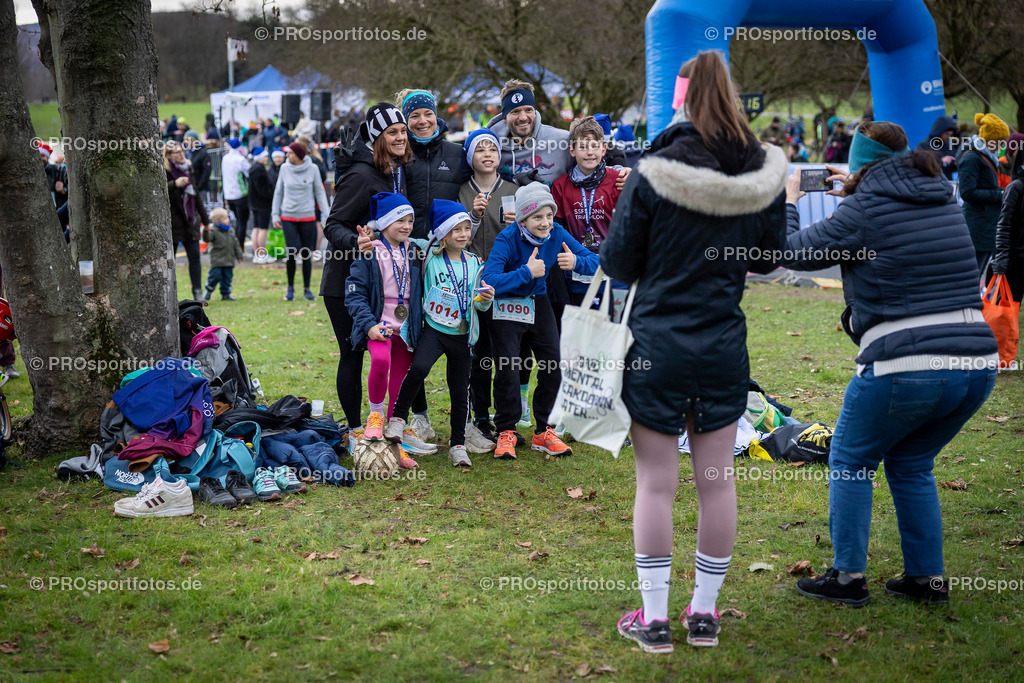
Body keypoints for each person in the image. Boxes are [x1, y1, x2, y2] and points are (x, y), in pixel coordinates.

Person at [600, 50, 789, 652]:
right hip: (722, 341)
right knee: (717, 477)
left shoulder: (653, 170)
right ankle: (703, 614)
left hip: (656, 340)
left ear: (679, 100)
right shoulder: (762, 173)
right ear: (733, 97)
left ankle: (654, 619)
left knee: (656, 482)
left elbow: (618, 262)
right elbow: (766, 257)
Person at [782, 120, 998, 608]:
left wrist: (791, 201)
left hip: (906, 364)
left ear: (859, 168)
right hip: (977, 362)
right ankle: (926, 581)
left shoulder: (862, 210)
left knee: (852, 461)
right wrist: (858, 190)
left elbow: (789, 253)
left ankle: (847, 577)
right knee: (912, 463)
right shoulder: (942, 198)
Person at [481, 182, 598, 460]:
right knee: (509, 368)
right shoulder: (507, 238)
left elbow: (595, 260)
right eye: (537, 217)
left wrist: (576, 263)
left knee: (554, 363)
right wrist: (527, 272)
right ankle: (506, 431)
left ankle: (544, 430)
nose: (545, 223)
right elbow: (490, 279)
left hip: (538, 303)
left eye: (548, 215)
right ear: (522, 218)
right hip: (506, 307)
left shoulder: (557, 233)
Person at [321, 103, 412, 435]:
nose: (401, 137)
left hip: (383, 283)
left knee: (388, 351)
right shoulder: (361, 175)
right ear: (378, 138)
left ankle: (388, 424)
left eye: (403, 130)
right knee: (353, 354)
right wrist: (354, 242)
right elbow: (333, 225)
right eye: (392, 132)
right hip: (346, 282)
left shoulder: (395, 171)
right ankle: (357, 431)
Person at [386, 199, 495, 466]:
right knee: (419, 368)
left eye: (466, 229)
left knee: (459, 391)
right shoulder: (429, 255)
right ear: (443, 234)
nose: (462, 235)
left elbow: (479, 301)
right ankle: (398, 420)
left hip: (462, 334)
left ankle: (458, 444)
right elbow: (412, 239)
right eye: (456, 230)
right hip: (434, 329)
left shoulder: (475, 262)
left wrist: (486, 298)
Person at [344, 192, 426, 470]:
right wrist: (368, 325)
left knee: (400, 383)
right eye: (399, 220)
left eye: (410, 220)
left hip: (408, 327)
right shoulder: (370, 250)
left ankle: (396, 443)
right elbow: (354, 294)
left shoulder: (415, 250)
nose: (405, 226)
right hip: (380, 324)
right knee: (381, 361)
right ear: (385, 222)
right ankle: (375, 416)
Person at [459, 129, 518, 444]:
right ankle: (478, 417)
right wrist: (474, 216)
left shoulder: (512, 189)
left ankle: (507, 421)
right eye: (479, 149)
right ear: (470, 157)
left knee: (505, 355)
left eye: (492, 148)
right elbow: (456, 237)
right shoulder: (461, 192)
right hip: (472, 285)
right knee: (477, 354)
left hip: (505, 284)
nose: (487, 154)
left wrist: (517, 225)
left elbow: (529, 234)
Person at [551, 116, 622, 307]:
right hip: (577, 272)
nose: (590, 152)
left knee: (612, 329)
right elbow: (557, 231)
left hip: (613, 272)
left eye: (594, 146)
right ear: (572, 150)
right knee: (581, 330)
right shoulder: (560, 187)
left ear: (604, 149)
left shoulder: (618, 181)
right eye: (583, 147)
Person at [397, 90, 466, 240]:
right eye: (415, 116)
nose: (423, 121)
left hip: (445, 245)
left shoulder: (457, 153)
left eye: (428, 114)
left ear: (435, 116)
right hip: (405, 244)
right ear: (406, 121)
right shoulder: (398, 154)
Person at [272, 142, 330, 301]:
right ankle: (290, 287)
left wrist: (328, 216)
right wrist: (275, 215)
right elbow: (278, 192)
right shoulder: (284, 168)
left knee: (306, 253)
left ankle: (307, 288)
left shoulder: (313, 169)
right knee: (291, 251)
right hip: (288, 216)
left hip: (308, 216)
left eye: (290, 153)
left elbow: (320, 193)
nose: (287, 156)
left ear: (299, 155)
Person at [486, 80, 572, 185]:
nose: (523, 117)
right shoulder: (491, 147)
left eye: (528, 110)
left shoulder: (563, 140)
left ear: (535, 112)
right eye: (515, 111)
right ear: (504, 118)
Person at [959, 113, 1009, 272]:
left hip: (986, 223)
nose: (1002, 146)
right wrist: (999, 195)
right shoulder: (972, 158)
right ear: (990, 139)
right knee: (974, 272)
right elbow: (967, 192)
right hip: (978, 224)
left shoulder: (985, 156)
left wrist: (1002, 191)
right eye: (1000, 141)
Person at [165, 141, 210, 301]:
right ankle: (170, 295)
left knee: (195, 258)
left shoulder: (188, 169)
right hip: (174, 224)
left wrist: (206, 221)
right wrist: (174, 184)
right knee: (171, 262)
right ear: (168, 156)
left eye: (181, 151)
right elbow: (160, 191)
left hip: (191, 222)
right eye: (176, 152)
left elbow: (196, 196)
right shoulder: (166, 171)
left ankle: (198, 293)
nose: (180, 154)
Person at [992, 145, 1024, 300]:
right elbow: (1004, 225)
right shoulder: (1016, 188)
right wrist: (1002, 259)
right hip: (1016, 261)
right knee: (1007, 309)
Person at [297, 134, 329, 257]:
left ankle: (315, 249)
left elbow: (322, 177)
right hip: (314, 193)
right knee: (316, 222)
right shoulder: (317, 158)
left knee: (315, 222)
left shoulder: (312, 161)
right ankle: (314, 249)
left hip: (313, 194)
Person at [202, 207, 244, 301]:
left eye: (227, 218)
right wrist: (205, 231)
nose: (228, 220)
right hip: (217, 260)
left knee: (227, 278)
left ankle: (226, 294)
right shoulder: (213, 230)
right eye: (225, 218)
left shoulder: (231, 230)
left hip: (229, 260)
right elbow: (206, 239)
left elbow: (236, 244)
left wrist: (239, 256)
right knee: (215, 276)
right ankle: (209, 290)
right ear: (217, 221)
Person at [221, 138, 251, 254]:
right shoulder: (240, 159)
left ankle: (234, 248)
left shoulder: (225, 158)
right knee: (242, 223)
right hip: (240, 194)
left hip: (228, 195)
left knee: (236, 222)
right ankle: (239, 249)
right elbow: (248, 172)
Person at [248, 147, 275, 264]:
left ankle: (257, 253)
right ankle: (262, 254)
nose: (267, 158)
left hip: (254, 203)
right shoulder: (259, 170)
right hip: (262, 203)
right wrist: (271, 196)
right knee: (262, 229)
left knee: (256, 228)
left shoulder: (254, 168)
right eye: (265, 156)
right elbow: (262, 189)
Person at [914, 115, 959, 180]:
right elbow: (920, 167)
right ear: (939, 131)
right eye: (946, 134)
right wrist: (941, 162)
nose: (948, 137)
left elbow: (951, 168)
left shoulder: (949, 144)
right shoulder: (923, 146)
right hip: (930, 182)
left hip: (947, 182)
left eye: (950, 135)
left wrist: (956, 164)